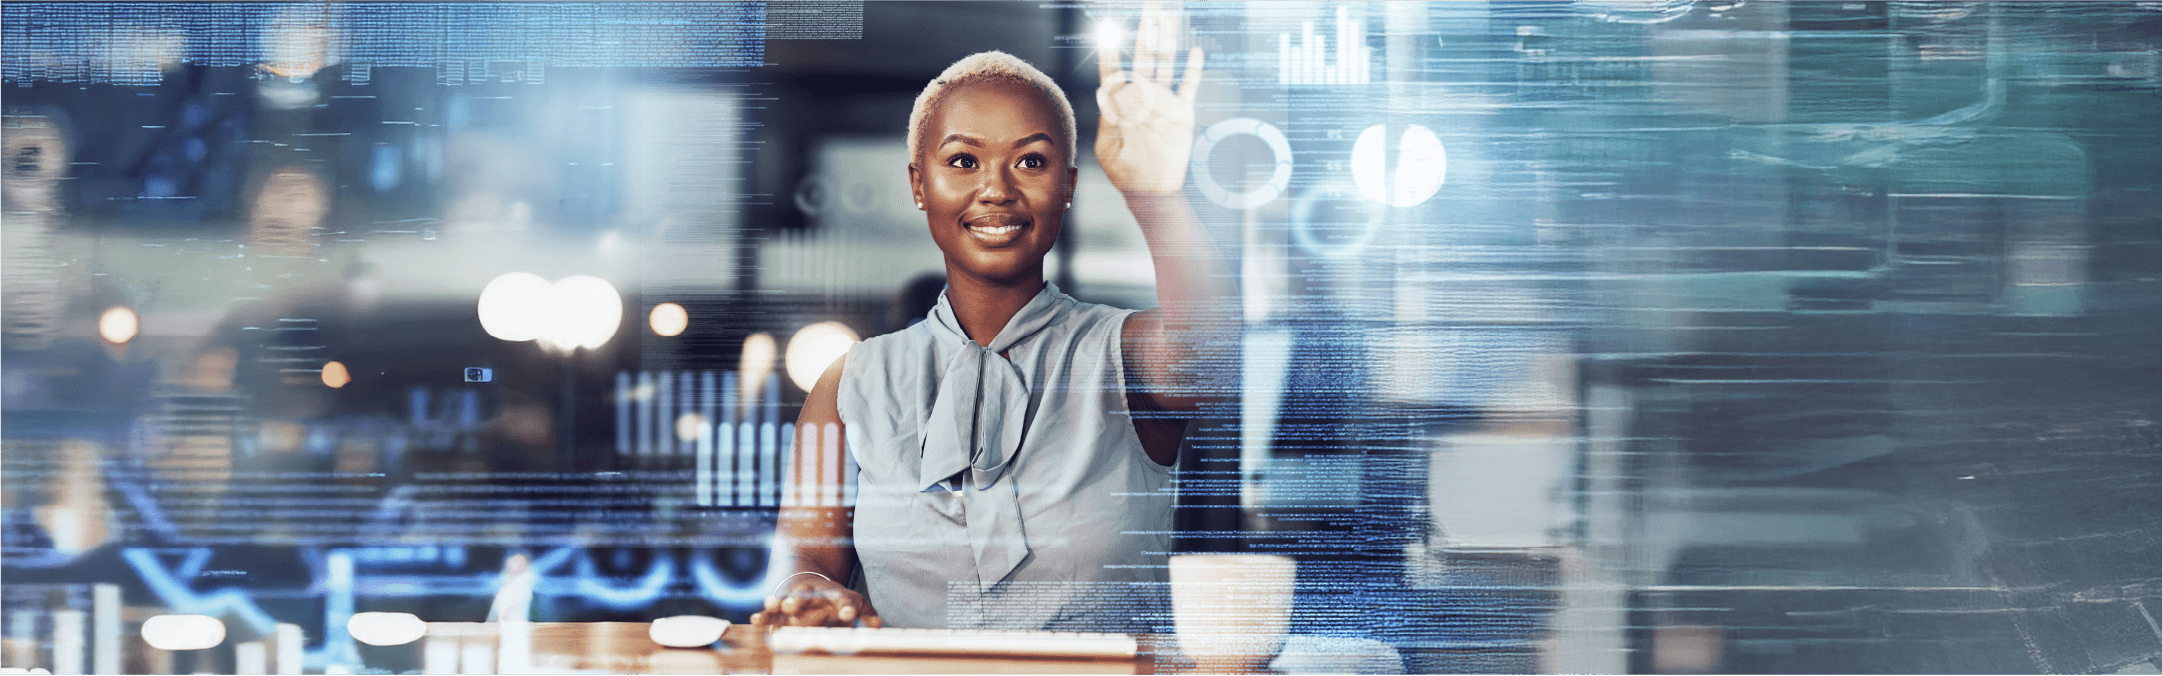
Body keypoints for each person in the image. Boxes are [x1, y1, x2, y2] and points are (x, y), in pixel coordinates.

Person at [749, 5, 1232, 631]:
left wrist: (1156, 193)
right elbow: (806, 557)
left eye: (1031, 161)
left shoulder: (1123, 356)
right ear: (919, 185)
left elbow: (1211, 359)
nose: (997, 188)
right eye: (963, 161)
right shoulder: (849, 385)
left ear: (1068, 185)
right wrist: (806, 593)